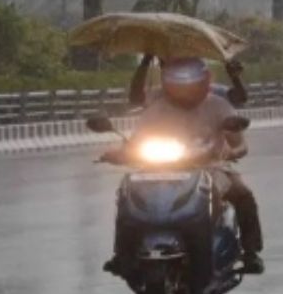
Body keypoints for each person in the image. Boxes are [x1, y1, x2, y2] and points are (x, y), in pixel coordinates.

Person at [105, 57, 265, 276]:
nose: (184, 91)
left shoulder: (219, 104)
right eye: (178, 85)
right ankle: (122, 254)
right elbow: (137, 140)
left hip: (211, 167)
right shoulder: (156, 107)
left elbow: (240, 145)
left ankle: (251, 252)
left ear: (204, 82)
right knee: (126, 195)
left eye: (190, 84)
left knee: (243, 195)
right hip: (158, 169)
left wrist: (231, 152)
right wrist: (120, 153)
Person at [128, 53, 248, 109]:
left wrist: (234, 77)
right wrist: (145, 61)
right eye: (164, 66)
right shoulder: (161, 95)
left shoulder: (210, 91)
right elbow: (135, 98)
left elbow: (240, 97)